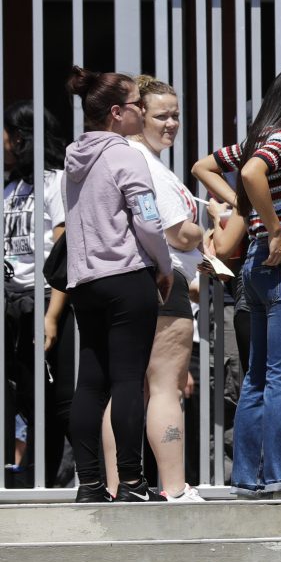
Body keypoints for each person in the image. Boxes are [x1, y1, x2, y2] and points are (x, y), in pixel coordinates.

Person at [193, 66, 281, 497]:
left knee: (256, 378)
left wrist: (244, 208)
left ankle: (248, 476)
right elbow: (251, 175)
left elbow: (203, 166)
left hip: (253, 262)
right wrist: (271, 226)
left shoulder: (259, 135)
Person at [63, 68, 175, 503]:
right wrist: (164, 264)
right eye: (135, 105)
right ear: (116, 113)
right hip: (127, 276)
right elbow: (147, 219)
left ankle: (89, 484)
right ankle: (131, 483)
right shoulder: (126, 156)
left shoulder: (74, 160)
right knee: (129, 380)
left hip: (85, 283)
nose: (140, 112)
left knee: (90, 382)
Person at [109, 78, 203, 500]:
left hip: (122, 282)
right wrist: (212, 226)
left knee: (126, 389)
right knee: (165, 388)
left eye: (176, 114)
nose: (172, 123)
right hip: (162, 281)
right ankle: (174, 488)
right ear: (137, 114)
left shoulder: (116, 157)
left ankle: (115, 487)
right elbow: (178, 233)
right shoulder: (145, 163)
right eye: (162, 115)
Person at [3, 101, 73, 488]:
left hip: (46, 300)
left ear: (22, 136)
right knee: (27, 399)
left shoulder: (55, 182)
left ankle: (54, 475)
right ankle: (34, 474)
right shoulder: (12, 188)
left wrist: (51, 316)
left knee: (50, 397)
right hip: (13, 302)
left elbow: (63, 253)